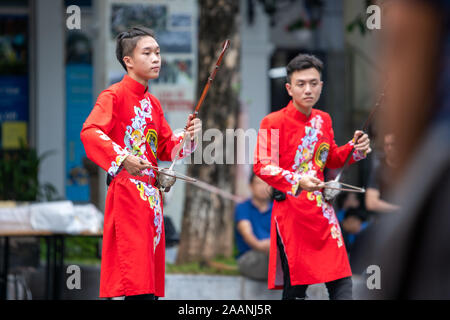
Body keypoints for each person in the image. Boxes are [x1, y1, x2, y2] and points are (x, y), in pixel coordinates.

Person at [80, 26, 201, 300]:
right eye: (147, 53)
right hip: (127, 197)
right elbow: (89, 132)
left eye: (157, 52)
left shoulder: (153, 104)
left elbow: (166, 147)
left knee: (150, 287)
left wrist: (188, 137)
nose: (156, 58)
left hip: (152, 201)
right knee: (138, 286)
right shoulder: (113, 96)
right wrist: (123, 158)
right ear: (129, 61)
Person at [253, 54, 371, 300]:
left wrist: (355, 148)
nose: (308, 89)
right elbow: (262, 166)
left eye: (314, 83)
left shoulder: (323, 119)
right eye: (301, 84)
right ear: (289, 88)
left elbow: (331, 159)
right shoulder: (272, 122)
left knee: (342, 282)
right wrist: (298, 181)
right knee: (296, 289)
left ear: (321, 85)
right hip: (292, 215)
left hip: (322, 214)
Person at [235, 173, 273, 281]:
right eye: (258, 183)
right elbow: (247, 234)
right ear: (251, 186)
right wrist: (266, 246)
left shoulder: (278, 208)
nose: (263, 188)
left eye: (266, 184)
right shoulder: (243, 207)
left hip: (274, 255)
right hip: (250, 256)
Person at [365, 133, 400, 215]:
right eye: (386, 145)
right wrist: (399, 210)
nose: (389, 148)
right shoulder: (379, 170)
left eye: (393, 144)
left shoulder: (410, 166)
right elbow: (371, 203)